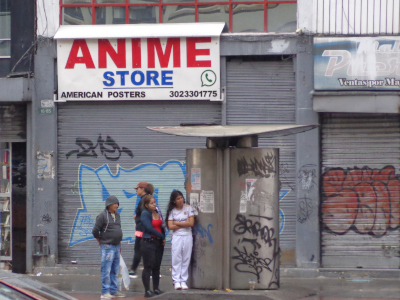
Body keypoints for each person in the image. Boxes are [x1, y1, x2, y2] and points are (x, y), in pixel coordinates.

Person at [92, 195, 126, 299]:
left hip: (116, 246)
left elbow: (118, 229)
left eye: (117, 204)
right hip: (107, 246)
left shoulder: (117, 215)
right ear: (109, 205)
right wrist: (100, 241)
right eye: (115, 204)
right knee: (106, 269)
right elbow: (95, 231)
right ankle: (105, 292)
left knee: (115, 270)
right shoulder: (102, 216)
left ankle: (113, 290)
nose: (117, 205)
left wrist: (119, 243)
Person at [166, 190, 195, 290]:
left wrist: (177, 222)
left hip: (187, 236)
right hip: (177, 237)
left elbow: (191, 223)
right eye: (178, 199)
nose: (180, 200)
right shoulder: (172, 211)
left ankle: (183, 280)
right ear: (174, 201)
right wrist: (184, 223)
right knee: (176, 258)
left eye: (181, 198)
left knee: (186, 258)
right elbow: (170, 226)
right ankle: (176, 280)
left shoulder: (188, 208)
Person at [141, 194, 166, 298]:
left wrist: (163, 237)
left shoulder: (157, 212)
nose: (154, 204)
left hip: (158, 243)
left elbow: (162, 225)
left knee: (156, 267)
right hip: (149, 242)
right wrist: (161, 236)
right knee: (148, 266)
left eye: (154, 202)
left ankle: (156, 288)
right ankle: (147, 290)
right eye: (151, 203)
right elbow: (149, 228)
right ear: (146, 205)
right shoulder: (145, 214)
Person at [129, 181, 154, 278]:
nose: (136, 191)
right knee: (145, 250)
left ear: (142, 189)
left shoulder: (144, 200)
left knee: (138, 250)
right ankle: (150, 271)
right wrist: (137, 216)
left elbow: (145, 215)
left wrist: (138, 219)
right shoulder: (147, 199)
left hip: (142, 230)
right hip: (145, 229)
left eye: (137, 189)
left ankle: (133, 270)